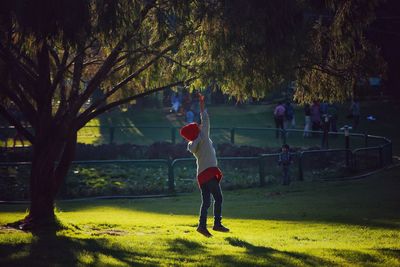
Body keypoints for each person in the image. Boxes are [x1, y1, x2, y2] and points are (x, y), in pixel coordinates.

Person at [180, 93, 229, 237]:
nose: (200, 125)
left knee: (206, 201)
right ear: (197, 130)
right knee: (218, 198)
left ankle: (202, 226)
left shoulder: (192, 144)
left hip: (201, 175)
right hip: (209, 172)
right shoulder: (203, 137)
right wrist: (202, 104)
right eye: (198, 126)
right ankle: (217, 224)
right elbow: (205, 118)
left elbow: (202, 124)